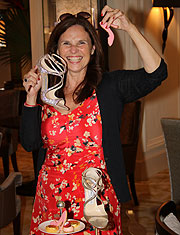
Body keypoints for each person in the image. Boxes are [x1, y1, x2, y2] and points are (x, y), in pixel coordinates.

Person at [20, 5, 167, 235]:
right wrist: (30, 97)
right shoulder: (45, 91)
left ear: (92, 49)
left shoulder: (109, 86)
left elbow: (157, 73)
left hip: (96, 202)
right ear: (57, 50)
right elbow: (30, 143)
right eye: (66, 43)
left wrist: (129, 28)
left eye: (81, 43)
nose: (74, 50)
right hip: (51, 197)